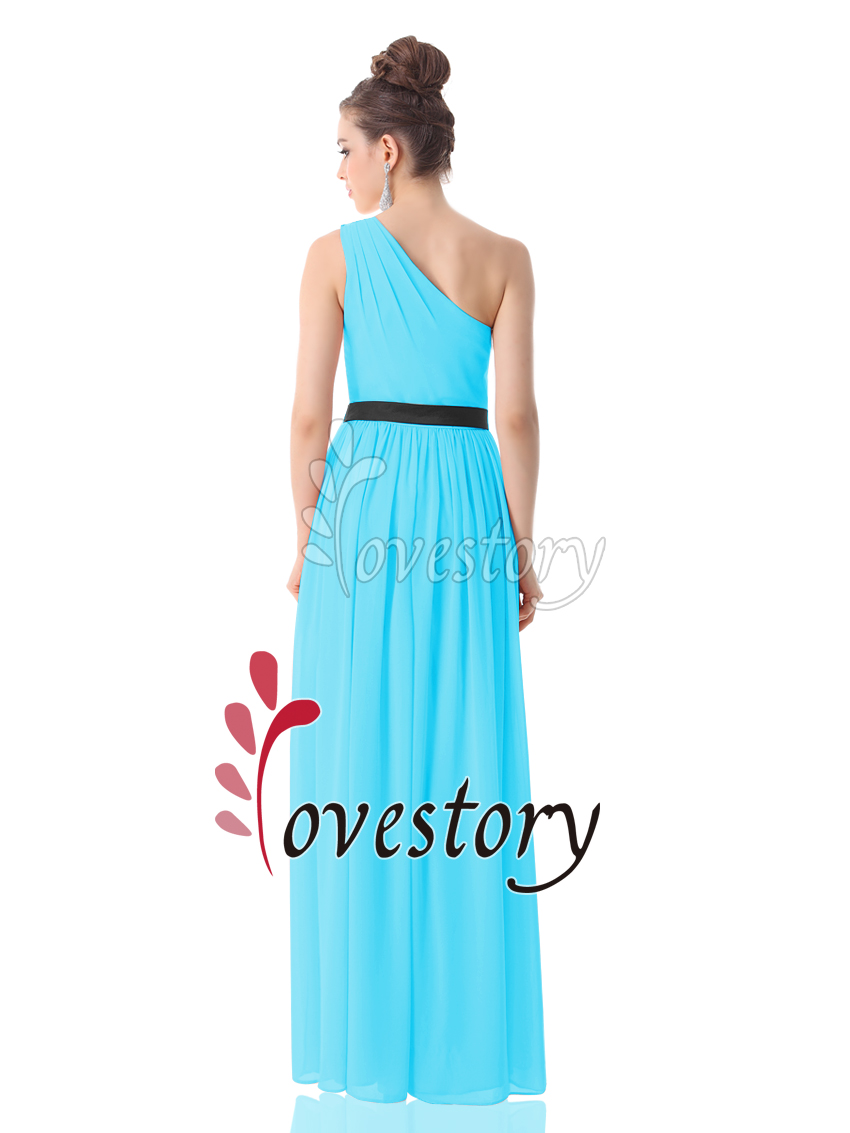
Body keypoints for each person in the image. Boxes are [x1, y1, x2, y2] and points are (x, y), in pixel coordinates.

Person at [287, 35, 546, 1106]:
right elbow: (516, 416)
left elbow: (309, 421)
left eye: (345, 150)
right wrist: (519, 549)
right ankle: (463, 1050)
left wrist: (308, 538)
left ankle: (365, 1049)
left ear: (388, 150)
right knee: (463, 757)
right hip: (467, 502)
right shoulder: (505, 257)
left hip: (366, 505)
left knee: (356, 762)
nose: (339, 170)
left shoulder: (336, 255)